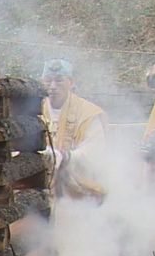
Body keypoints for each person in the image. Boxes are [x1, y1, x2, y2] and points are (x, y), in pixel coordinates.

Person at [40, 59, 107, 198]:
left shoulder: (88, 113)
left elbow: (94, 152)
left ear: (71, 82)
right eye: (48, 80)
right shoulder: (34, 111)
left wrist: (66, 158)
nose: (53, 86)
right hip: (42, 189)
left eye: (59, 80)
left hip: (80, 191)